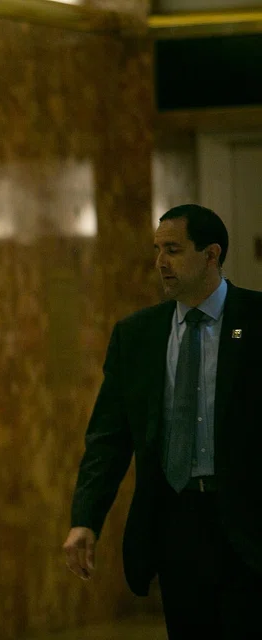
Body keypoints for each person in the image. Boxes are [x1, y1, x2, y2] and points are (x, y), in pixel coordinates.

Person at [63, 205, 262, 637]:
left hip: (248, 522)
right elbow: (108, 438)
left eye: (173, 250)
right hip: (176, 522)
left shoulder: (255, 320)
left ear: (211, 255)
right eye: (157, 250)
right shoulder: (138, 335)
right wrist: (85, 519)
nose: (160, 263)